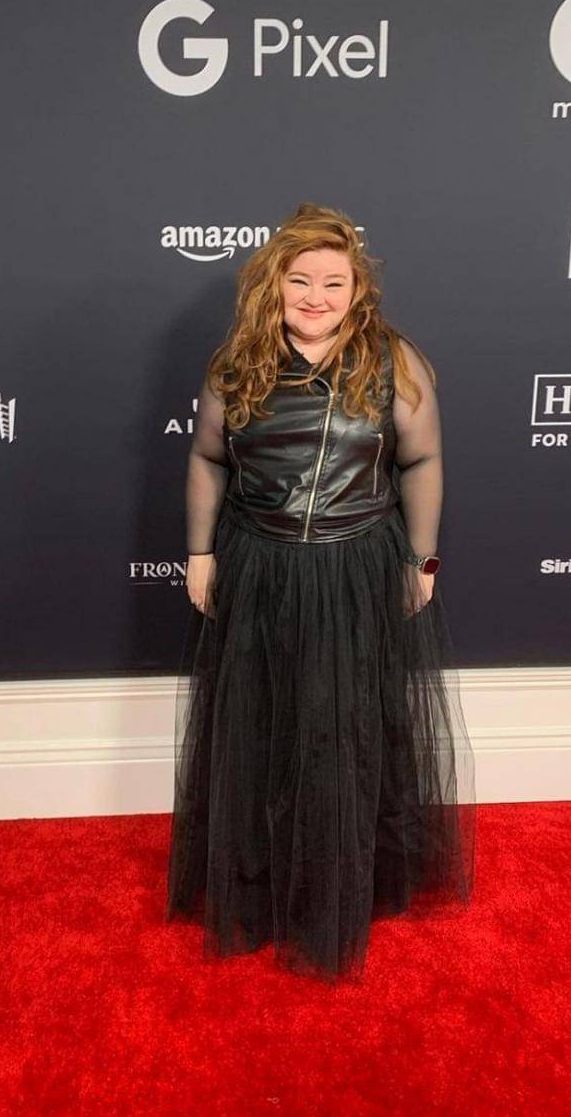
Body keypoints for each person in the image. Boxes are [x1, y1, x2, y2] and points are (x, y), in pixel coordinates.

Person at [165, 202, 476, 983]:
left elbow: (421, 462)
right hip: (259, 564)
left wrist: (423, 559)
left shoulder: (394, 362)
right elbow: (207, 458)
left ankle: (344, 888)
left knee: (343, 729)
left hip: (353, 567)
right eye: (300, 280)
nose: (316, 296)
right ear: (273, 284)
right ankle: (258, 889)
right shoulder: (237, 362)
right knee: (261, 725)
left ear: (357, 290)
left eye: (334, 283)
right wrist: (200, 553)